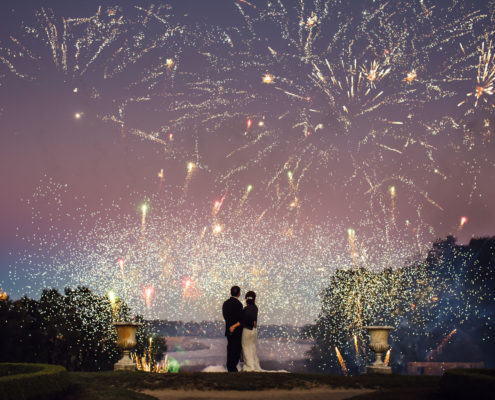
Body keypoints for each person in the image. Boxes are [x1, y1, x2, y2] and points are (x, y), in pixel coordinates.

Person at [222, 285, 243, 372]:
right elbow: (241, 319)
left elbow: (225, 316)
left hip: (228, 330)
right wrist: (234, 326)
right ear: (239, 294)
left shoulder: (225, 303)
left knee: (230, 348)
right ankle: (233, 367)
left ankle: (229, 367)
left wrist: (229, 326)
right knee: (236, 349)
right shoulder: (239, 304)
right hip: (237, 330)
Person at [241, 290, 262, 371]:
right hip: (254, 330)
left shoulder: (246, 309)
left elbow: (243, 320)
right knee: (252, 348)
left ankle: (249, 367)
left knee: (246, 347)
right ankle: (255, 365)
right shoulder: (255, 308)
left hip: (247, 330)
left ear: (247, 299)